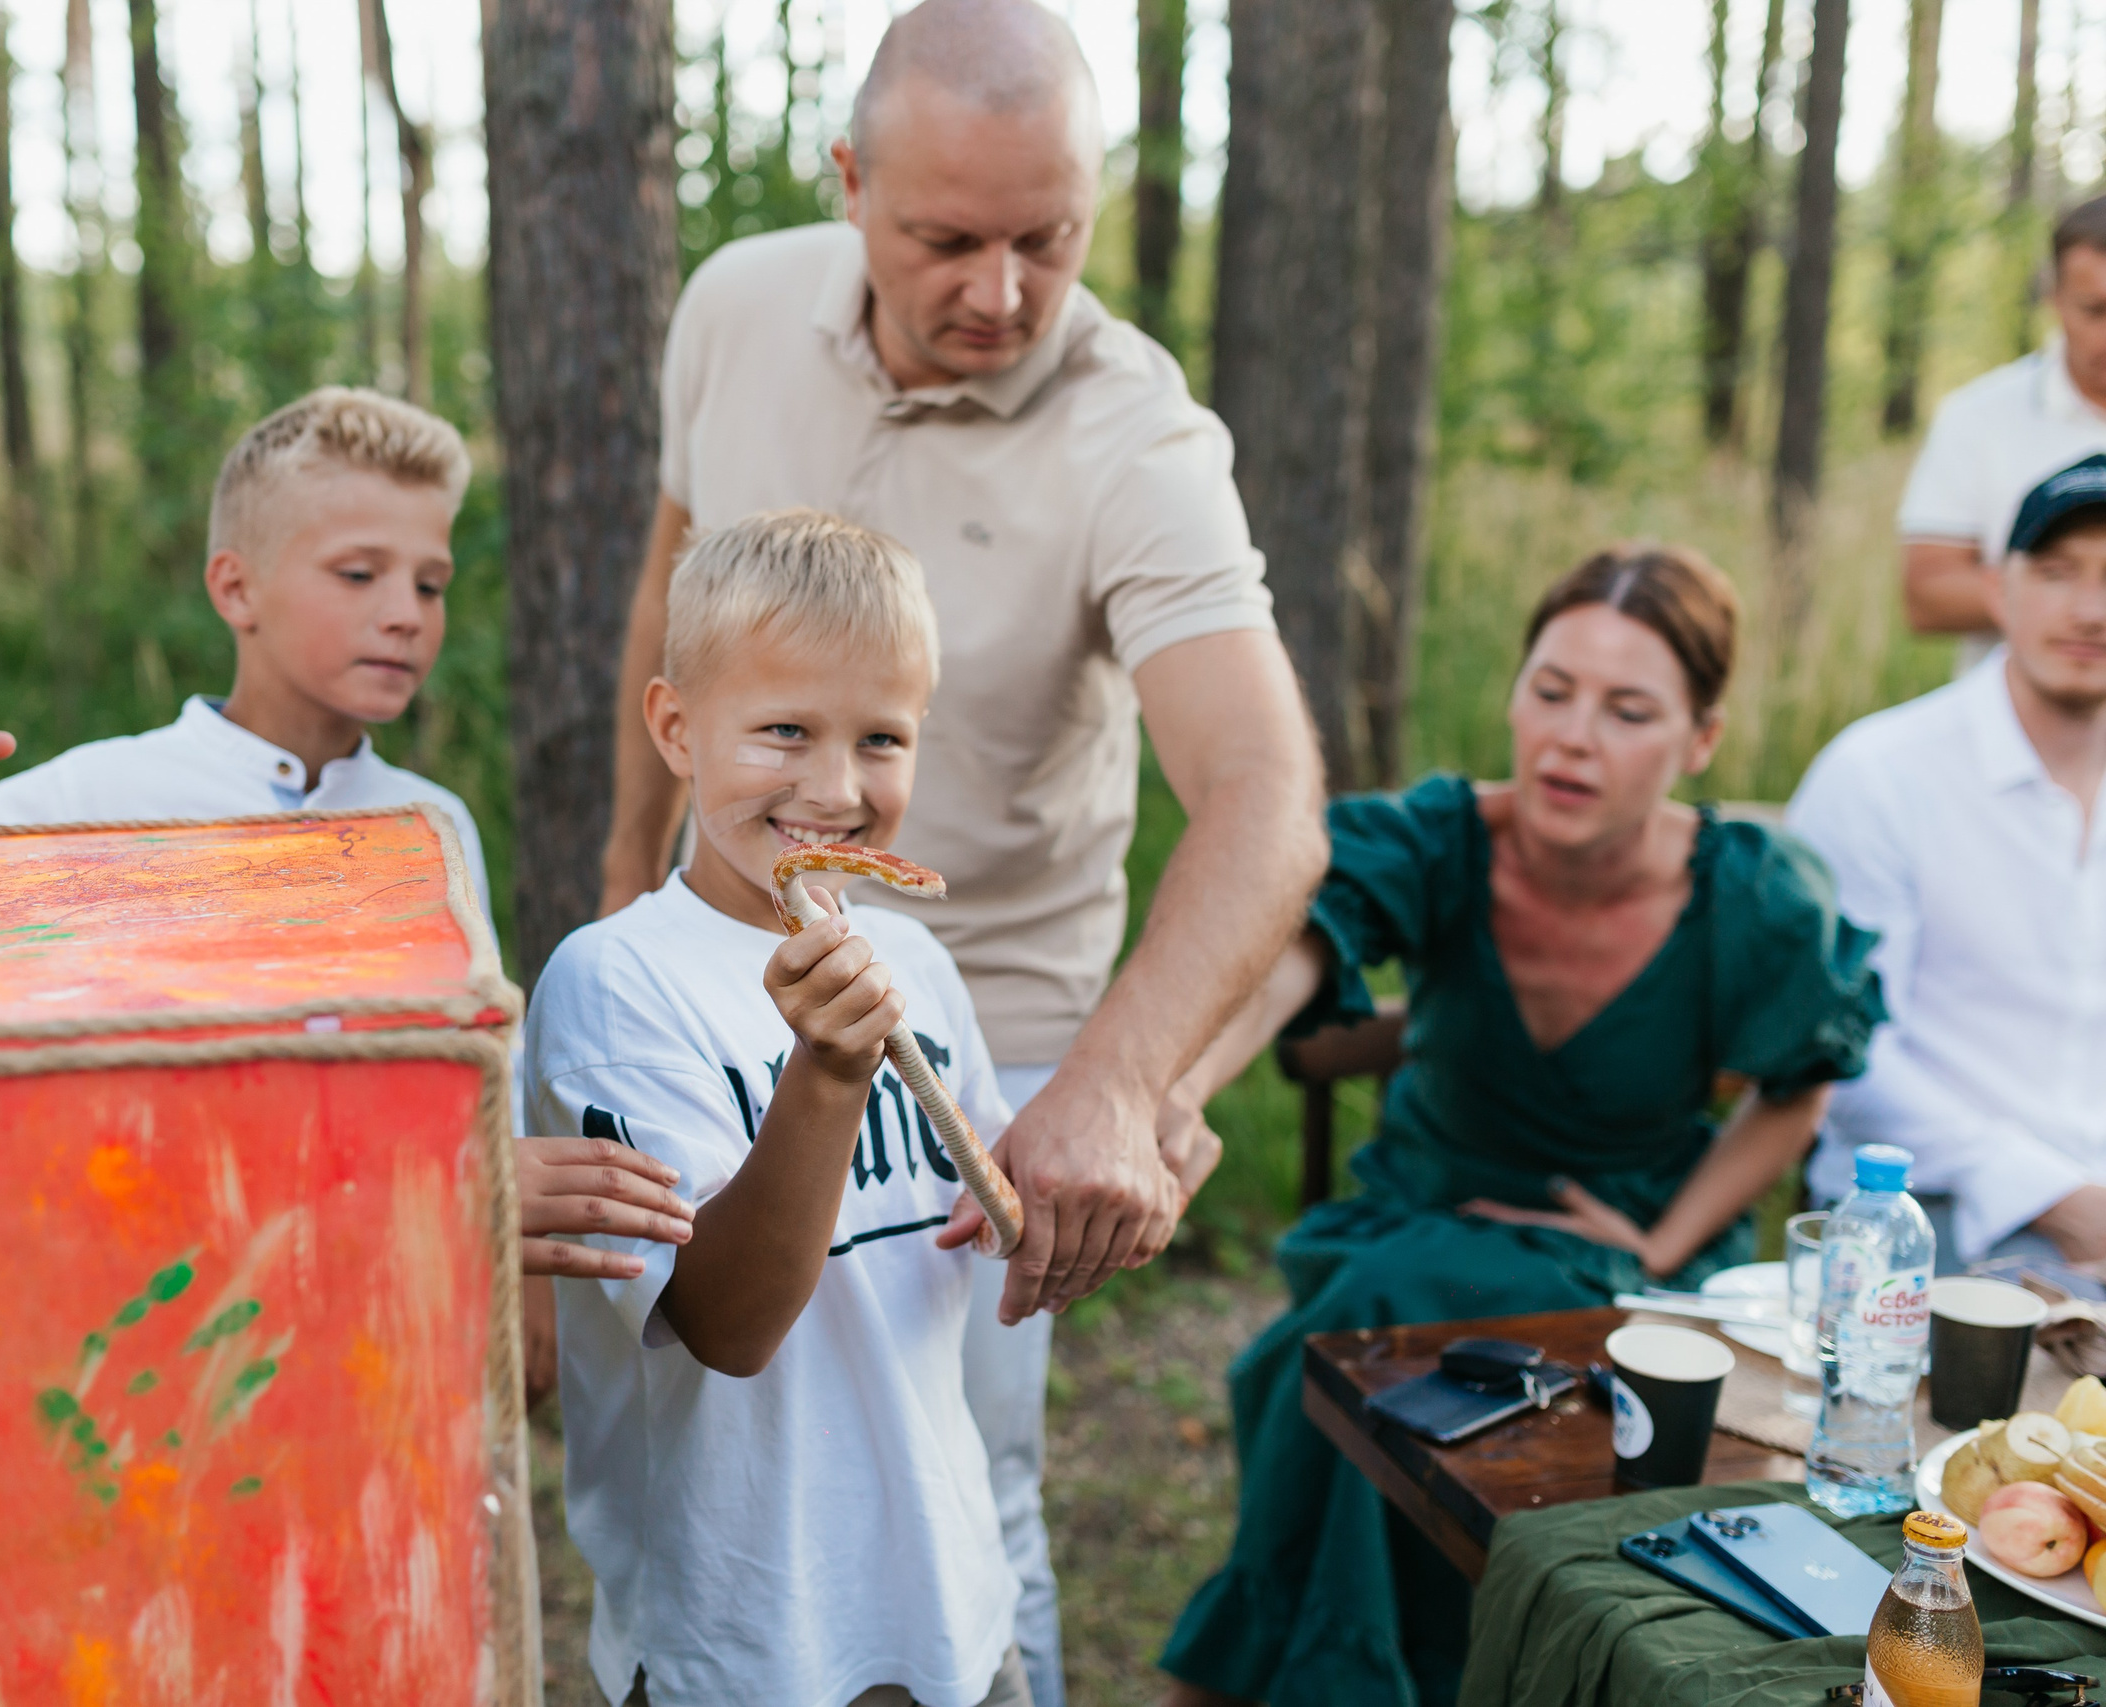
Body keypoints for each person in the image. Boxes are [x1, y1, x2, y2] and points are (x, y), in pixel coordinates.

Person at [593, 3, 1325, 1690]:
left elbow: (1272, 798)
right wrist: (634, 881)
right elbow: (670, 587)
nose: (1000, 293)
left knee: (960, 1482)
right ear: (850, 182)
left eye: (1046, 241)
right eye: (946, 239)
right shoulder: (736, 304)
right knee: (703, 1427)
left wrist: (1128, 1086)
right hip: (718, 979)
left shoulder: (1141, 440)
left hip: (990, 1033)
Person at [1156, 545, 1884, 1707]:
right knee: (1385, 1308)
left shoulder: (1749, 892)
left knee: (1375, 1331)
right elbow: (1293, 943)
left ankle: (1271, 1674)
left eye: (1627, 710)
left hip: (1620, 1253)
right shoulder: (1442, 838)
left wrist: (1661, 1241)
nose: (1572, 737)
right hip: (1417, 1210)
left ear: (1698, 741)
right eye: (1550, 691)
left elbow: (1800, 1082)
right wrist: (1173, 1087)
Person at [0, 386, 698, 1291]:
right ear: (235, 587)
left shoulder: (431, 825)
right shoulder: (86, 801)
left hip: (377, 1318)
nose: (407, 614)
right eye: (358, 574)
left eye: (431, 583)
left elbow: (473, 1099)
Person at [528, 509, 1026, 1707]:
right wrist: (828, 1075)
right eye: (785, 731)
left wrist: (1082, 1193)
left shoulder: (916, 958)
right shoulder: (616, 982)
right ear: (675, 728)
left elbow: (995, 1214)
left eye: (882, 739)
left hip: (954, 1610)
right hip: (741, 1642)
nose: (836, 787)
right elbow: (727, 1326)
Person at [1789, 455, 2106, 1274]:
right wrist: (2062, 1201)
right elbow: (1846, 1061)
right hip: (1920, 1215)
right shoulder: (1881, 773)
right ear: (1999, 588)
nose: (2090, 609)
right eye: (2058, 571)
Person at [1899, 195, 2106, 671]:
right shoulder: (1978, 416)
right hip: (2014, 733)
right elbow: (1926, 595)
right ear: (2052, 297)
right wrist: (2073, 597)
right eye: (2095, 310)